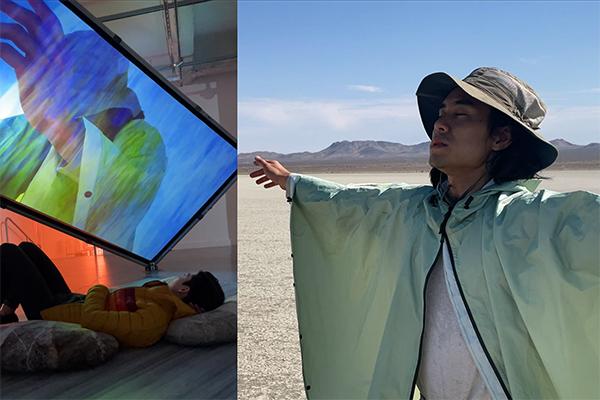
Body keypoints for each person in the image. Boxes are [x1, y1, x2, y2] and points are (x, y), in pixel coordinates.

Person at [250, 67, 599, 399]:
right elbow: (358, 202)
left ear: (502, 137)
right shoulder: (419, 211)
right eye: (440, 114)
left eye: (460, 115)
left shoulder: (527, 216)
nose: (441, 126)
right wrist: (293, 182)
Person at [0, 0, 166, 250]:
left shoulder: (142, 138)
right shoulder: (26, 127)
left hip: (82, 268)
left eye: (90, 67)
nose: (78, 77)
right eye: (72, 66)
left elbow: (120, 203)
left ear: (116, 81)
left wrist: (62, 131)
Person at [0, 241, 225, 348]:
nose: (182, 274)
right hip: (70, 302)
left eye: (187, 275)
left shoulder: (155, 318)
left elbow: (93, 319)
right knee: (27, 248)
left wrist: (99, 289)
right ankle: (7, 312)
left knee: (9, 253)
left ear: (184, 290)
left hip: (52, 312)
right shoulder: (161, 297)